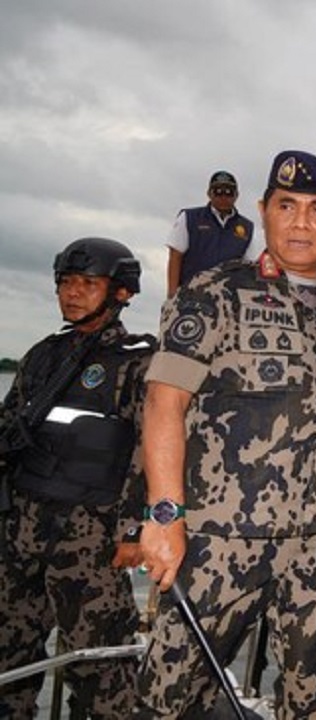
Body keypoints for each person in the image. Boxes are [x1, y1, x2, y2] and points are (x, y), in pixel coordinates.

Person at [136, 150, 316, 718]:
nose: (301, 222)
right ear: (263, 211)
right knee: (171, 699)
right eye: (286, 206)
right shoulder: (215, 292)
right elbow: (164, 403)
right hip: (221, 540)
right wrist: (165, 516)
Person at [0, 237, 153, 717]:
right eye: (66, 282)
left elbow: (150, 450)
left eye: (88, 283)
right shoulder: (43, 356)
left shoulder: (138, 361)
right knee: (10, 649)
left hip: (90, 536)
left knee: (100, 663)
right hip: (21, 528)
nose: (72, 292)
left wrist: (133, 529)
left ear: (121, 292)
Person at [165, 170, 259, 297]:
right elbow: (175, 256)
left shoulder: (247, 227)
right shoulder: (189, 218)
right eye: (218, 192)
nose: (223, 197)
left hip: (228, 299)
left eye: (229, 192)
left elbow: (250, 267)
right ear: (209, 194)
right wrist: (172, 295)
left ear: (237, 195)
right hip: (190, 295)